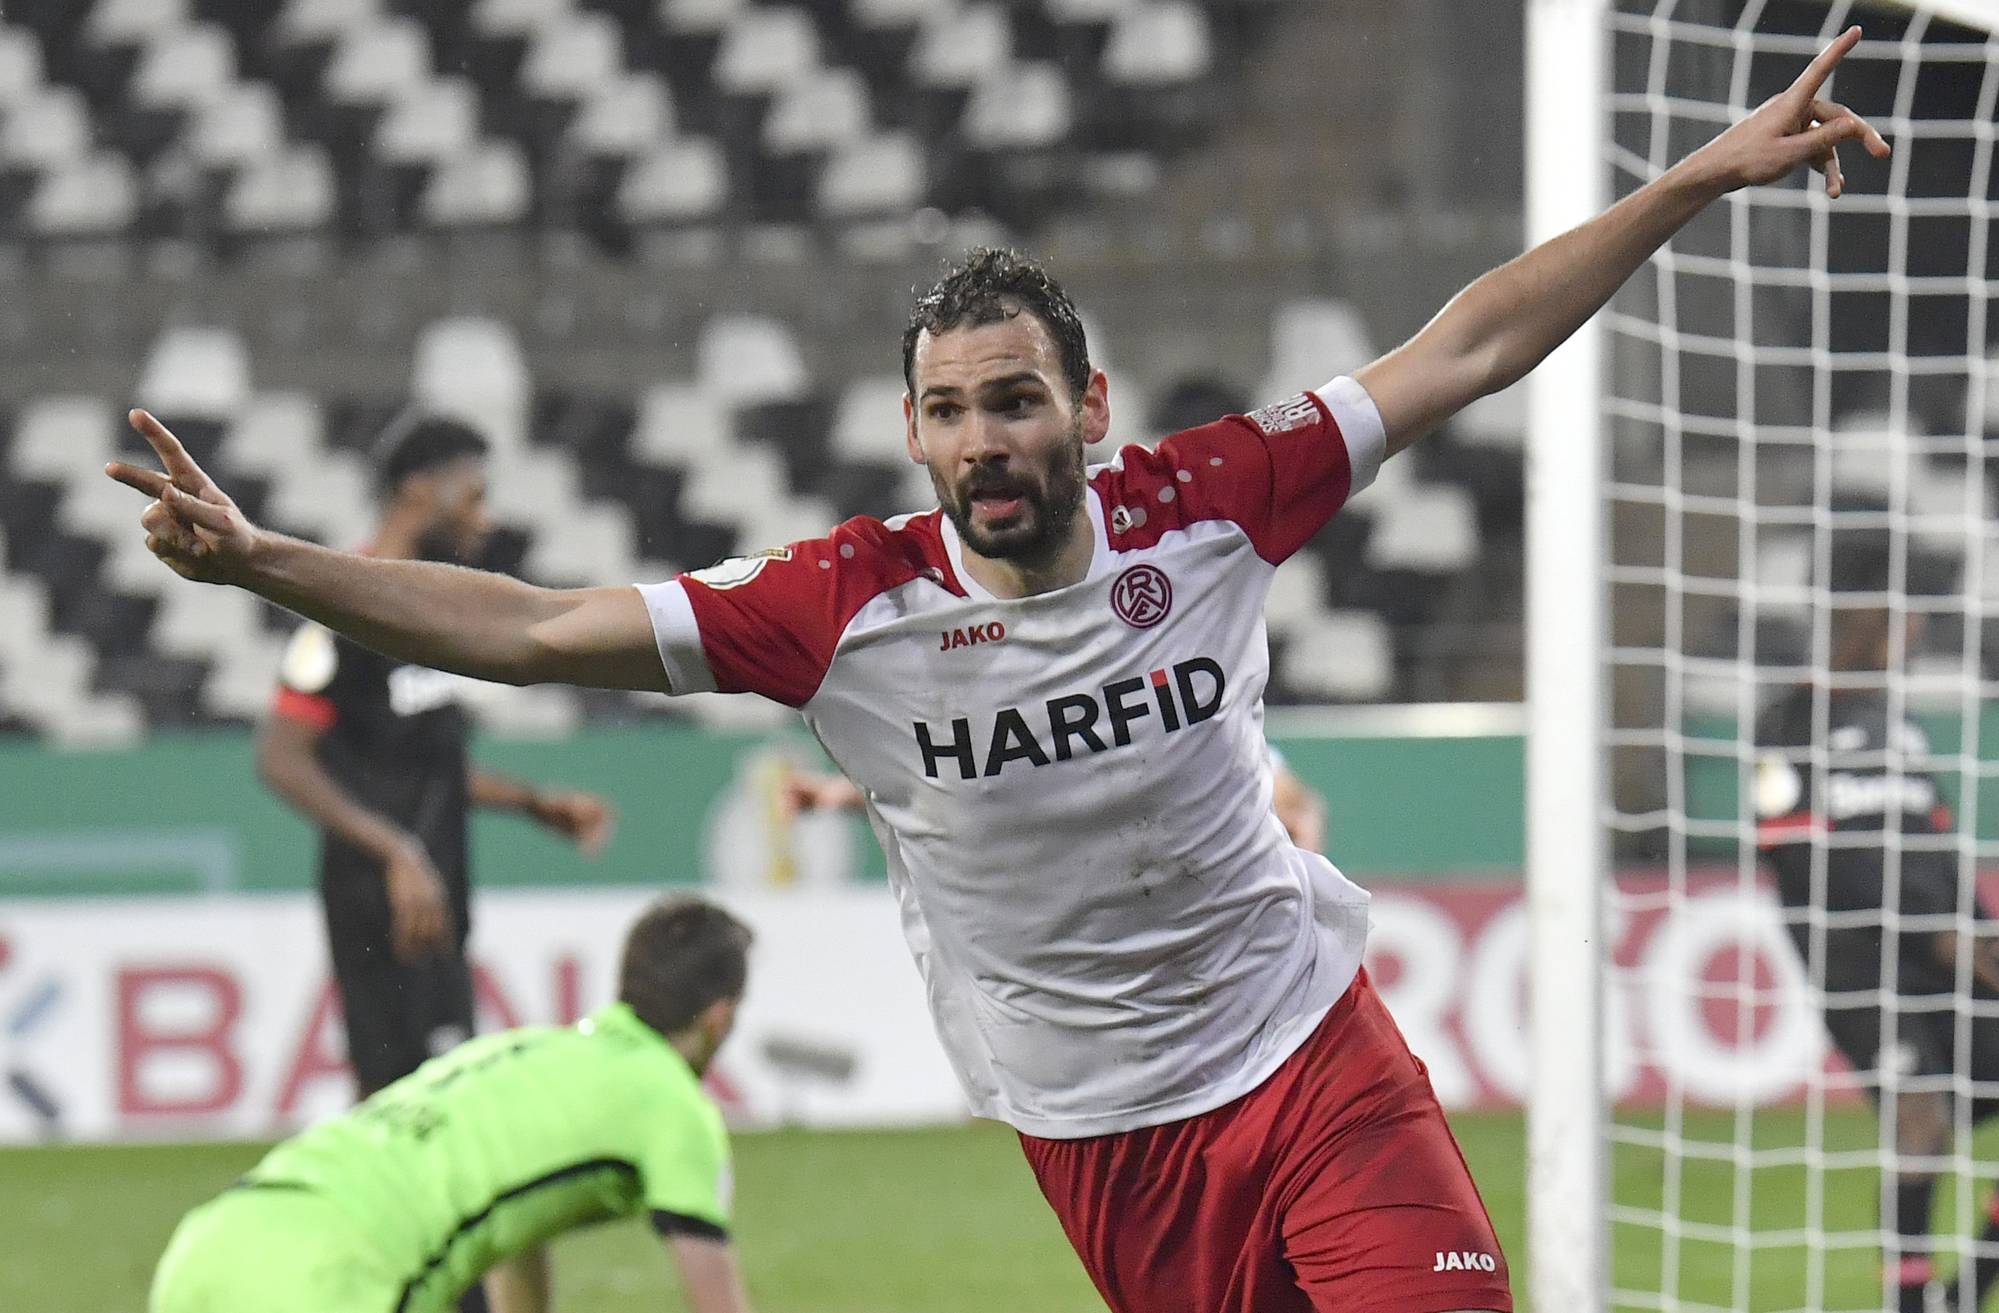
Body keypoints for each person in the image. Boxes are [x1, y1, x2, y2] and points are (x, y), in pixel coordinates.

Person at [109, 31, 1887, 1313]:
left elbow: (1466, 345)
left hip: (1308, 1047)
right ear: (913, 431)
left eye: (1017, 398)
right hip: (1100, 1132)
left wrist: (1694, 178)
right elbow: (532, 622)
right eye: (951, 412)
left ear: (1087, 410)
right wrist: (268, 560)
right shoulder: (836, 608)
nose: (987, 439)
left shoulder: (1209, 499)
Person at [1754, 539, 1999, 1313]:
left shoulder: (1901, 728)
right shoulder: (1786, 723)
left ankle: (1963, 1296)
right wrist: (1920, 925)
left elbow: (1943, 866)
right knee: (1922, 1118)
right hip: (1862, 966)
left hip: (1948, 956)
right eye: (1905, 615)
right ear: (1868, 618)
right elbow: (1799, 865)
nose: (1915, 631)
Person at [149, 894, 755, 1313]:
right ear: (720, 1017)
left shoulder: (530, 1049)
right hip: (329, 1278)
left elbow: (516, 1230)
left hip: (213, 1242)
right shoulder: (674, 1107)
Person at [256, 416, 616, 1100]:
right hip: (382, 901)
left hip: (435, 889)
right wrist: (396, 852)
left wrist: (533, 804)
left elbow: (414, 761)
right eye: (473, 494)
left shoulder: (427, 614)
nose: (487, 514)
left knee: (445, 1103)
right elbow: (281, 757)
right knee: (401, 1111)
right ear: (420, 492)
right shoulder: (336, 612)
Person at [781, 743, 1329, 852]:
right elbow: (945, 790)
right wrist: (831, 797)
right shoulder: (1072, 749)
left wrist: (1303, 861)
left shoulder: (1241, 756)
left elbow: (1301, 812)